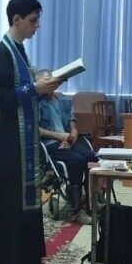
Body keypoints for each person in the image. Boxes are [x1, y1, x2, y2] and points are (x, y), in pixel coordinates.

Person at [0, 0, 64, 264]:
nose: (37, 26)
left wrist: (42, 86)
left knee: (25, 196)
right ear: (16, 19)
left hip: (23, 136)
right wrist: (35, 88)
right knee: (10, 197)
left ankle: (26, 258)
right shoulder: (2, 53)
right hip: (9, 138)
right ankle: (9, 260)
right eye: (33, 21)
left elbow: (23, 89)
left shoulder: (19, 50)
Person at [36, 69, 96, 224]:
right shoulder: (36, 103)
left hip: (68, 141)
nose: (50, 83)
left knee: (91, 157)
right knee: (77, 161)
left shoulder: (64, 100)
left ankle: (92, 201)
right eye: (45, 81)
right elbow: (36, 130)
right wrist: (59, 136)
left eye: (51, 80)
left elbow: (73, 127)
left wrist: (71, 139)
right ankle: (75, 211)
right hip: (50, 145)